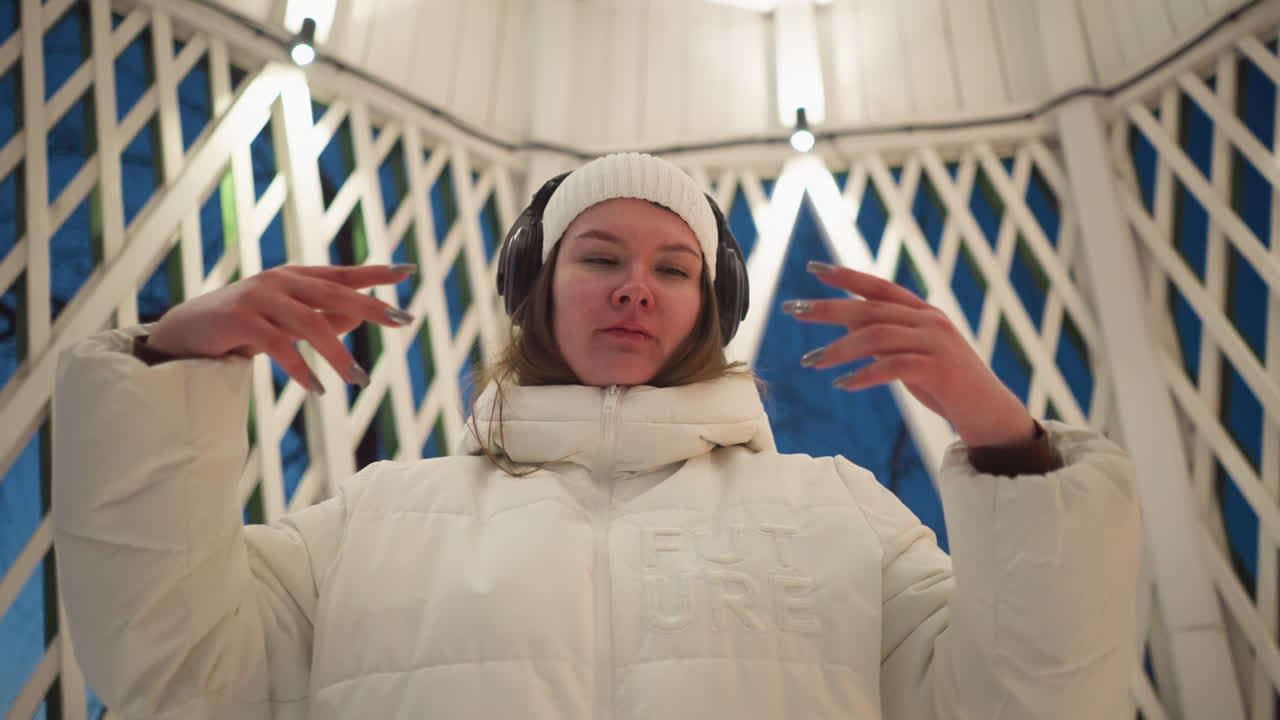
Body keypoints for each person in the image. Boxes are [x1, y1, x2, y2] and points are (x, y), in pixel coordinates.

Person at [52, 152, 1140, 720]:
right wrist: (168, 361)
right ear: (536, 289)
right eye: (598, 257)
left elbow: (1035, 698)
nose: (635, 288)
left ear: (707, 311)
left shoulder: (836, 512)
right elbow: (170, 668)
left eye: (673, 269)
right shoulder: (376, 518)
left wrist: (1006, 442)